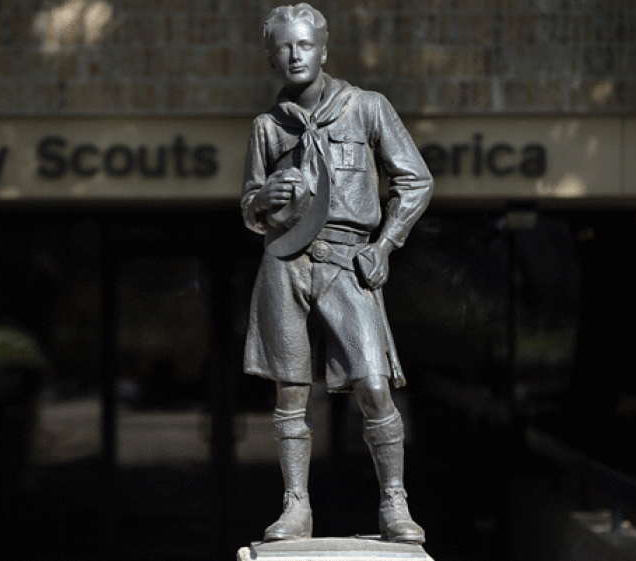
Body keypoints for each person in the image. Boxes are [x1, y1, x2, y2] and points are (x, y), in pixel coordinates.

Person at [241, 4, 433, 544]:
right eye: (283, 47)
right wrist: (263, 199)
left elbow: (415, 182)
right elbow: (248, 208)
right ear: (271, 56)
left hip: (347, 260)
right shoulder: (267, 127)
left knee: (373, 386)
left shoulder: (366, 108)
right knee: (291, 391)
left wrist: (386, 245)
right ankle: (295, 503)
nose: (295, 54)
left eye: (305, 45)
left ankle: (394, 500)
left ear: (324, 51)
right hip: (285, 262)